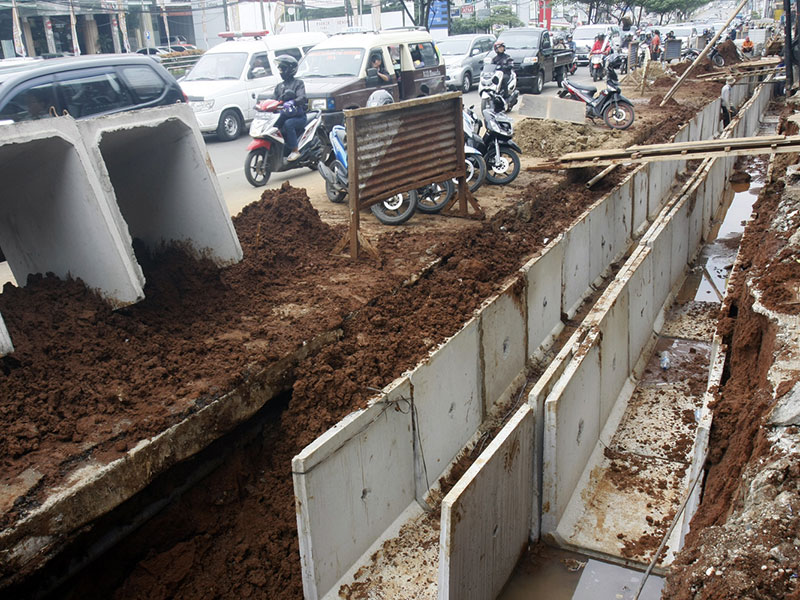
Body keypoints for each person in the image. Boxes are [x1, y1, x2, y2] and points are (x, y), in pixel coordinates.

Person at [271, 55, 306, 162]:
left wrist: (293, 102)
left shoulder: (298, 83)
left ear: (290, 69)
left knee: (288, 124)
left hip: (298, 117)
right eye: (280, 69)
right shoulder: (279, 86)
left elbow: (302, 97)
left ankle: (295, 150)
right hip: (282, 115)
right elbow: (274, 100)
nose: (281, 71)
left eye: (283, 68)